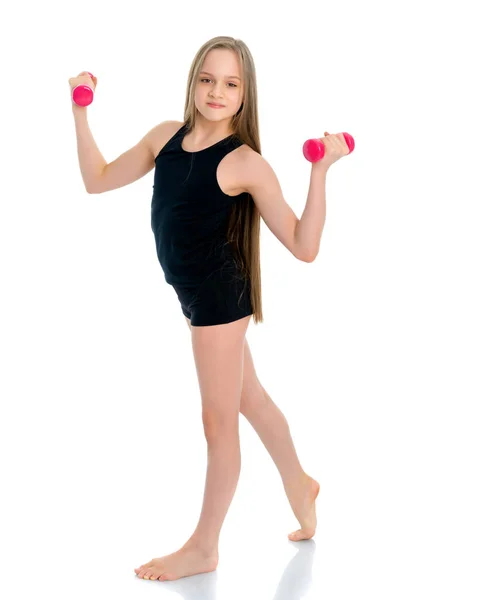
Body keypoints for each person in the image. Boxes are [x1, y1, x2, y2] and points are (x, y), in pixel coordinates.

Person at [69, 35, 349, 582]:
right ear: (193, 80)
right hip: (195, 297)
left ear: (245, 96)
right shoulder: (164, 138)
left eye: (231, 83)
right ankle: (300, 483)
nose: (217, 92)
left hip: (220, 303)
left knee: (218, 425)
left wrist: (320, 172)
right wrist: (80, 112)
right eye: (208, 79)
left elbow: (304, 245)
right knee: (252, 401)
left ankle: (204, 546)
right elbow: (96, 180)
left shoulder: (245, 162)